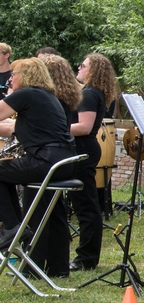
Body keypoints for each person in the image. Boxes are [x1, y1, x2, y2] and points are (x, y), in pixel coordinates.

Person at [0, 59, 76, 256]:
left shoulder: (26, 94)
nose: (10, 79)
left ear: (26, 76)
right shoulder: (46, 96)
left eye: (13, 74)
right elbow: (11, 127)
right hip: (63, 162)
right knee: (5, 174)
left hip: (46, 161)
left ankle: (12, 226)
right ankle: (57, 266)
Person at [26, 55, 81, 276]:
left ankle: (34, 264)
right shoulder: (66, 97)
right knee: (56, 212)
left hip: (46, 157)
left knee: (36, 209)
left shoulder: (46, 100)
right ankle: (58, 266)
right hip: (62, 157)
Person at [69, 53, 118, 271]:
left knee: (86, 206)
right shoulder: (91, 92)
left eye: (83, 65)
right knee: (85, 204)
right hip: (85, 149)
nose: (79, 68)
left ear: (94, 70)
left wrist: (55, 128)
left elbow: (84, 127)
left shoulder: (89, 93)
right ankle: (87, 256)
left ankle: (86, 258)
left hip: (84, 149)